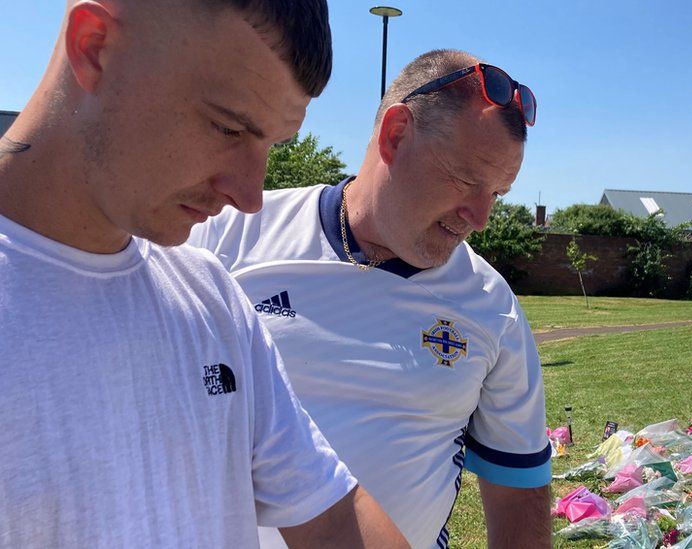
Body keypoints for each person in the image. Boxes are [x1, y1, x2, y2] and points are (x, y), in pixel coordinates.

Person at [0, 1, 407, 547]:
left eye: (269, 145)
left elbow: (332, 517)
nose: (250, 196)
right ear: (95, 46)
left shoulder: (211, 296)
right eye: (227, 127)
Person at [189, 49, 551, 548]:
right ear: (395, 134)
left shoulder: (493, 306)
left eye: (497, 193)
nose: (480, 218)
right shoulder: (228, 237)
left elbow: (519, 489)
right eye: (467, 181)